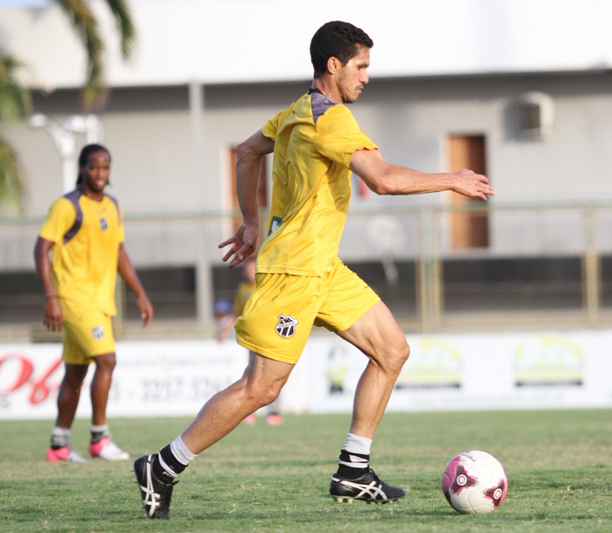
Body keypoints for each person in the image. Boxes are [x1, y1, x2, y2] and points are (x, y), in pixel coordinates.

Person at [133, 20, 493, 520]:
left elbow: (246, 153)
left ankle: (353, 470)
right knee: (261, 388)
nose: (367, 77)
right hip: (293, 275)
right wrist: (451, 178)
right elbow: (383, 180)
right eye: (361, 67)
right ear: (334, 65)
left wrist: (252, 220)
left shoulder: (294, 112)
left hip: (324, 269)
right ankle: (163, 466)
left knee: (392, 351)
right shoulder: (333, 120)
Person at [35, 143, 153, 463]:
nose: (100, 173)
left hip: (101, 302)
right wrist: (51, 297)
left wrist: (140, 293)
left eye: (105, 167)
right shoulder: (67, 206)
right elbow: (41, 249)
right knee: (107, 361)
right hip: (74, 299)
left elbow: (118, 252)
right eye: (93, 167)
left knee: (76, 373)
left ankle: (58, 446)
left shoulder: (112, 206)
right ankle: (99, 439)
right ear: (82, 168)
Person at [216, 260, 284, 426]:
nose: (249, 272)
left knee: (273, 375)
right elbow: (236, 312)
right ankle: (248, 412)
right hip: (253, 338)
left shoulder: (269, 285)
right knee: (253, 374)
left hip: (270, 337)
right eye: (247, 270)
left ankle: (274, 413)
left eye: (252, 269)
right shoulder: (243, 290)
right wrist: (224, 333)